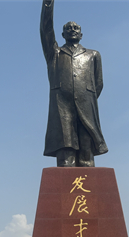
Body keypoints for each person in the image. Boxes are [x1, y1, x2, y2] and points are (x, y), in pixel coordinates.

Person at [40, 0, 108, 167]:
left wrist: (85, 95)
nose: (72, 29)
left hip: (86, 102)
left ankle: (87, 171)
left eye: (76, 28)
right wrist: (48, 3)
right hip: (62, 103)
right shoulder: (54, 53)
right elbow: (46, 29)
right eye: (68, 28)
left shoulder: (93, 55)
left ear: (81, 34)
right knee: (65, 147)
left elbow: (98, 83)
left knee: (86, 146)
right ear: (62, 34)